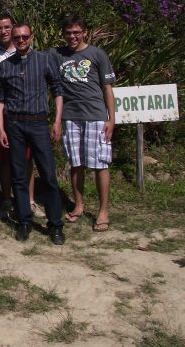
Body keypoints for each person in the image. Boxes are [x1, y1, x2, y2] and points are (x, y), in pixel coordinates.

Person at [0, 23, 66, 245]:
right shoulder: (5, 66)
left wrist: (57, 121)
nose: (21, 40)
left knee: (48, 175)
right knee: (19, 176)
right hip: (15, 125)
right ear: (13, 40)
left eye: (25, 37)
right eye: (17, 38)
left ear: (31, 37)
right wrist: (1, 128)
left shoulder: (45, 60)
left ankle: (55, 224)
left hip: (39, 125)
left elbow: (58, 90)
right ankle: (24, 220)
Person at [50, 16, 116, 232]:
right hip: (71, 116)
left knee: (100, 164)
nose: (72, 36)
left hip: (96, 116)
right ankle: (78, 205)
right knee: (76, 163)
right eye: (68, 33)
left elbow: (107, 88)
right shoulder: (57, 55)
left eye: (77, 32)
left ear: (85, 32)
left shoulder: (97, 54)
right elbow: (30, 54)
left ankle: (103, 211)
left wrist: (111, 119)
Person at [0, 13, 37, 219]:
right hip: (3, 113)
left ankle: (30, 201)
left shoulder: (26, 48)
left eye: (7, 27)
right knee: (5, 160)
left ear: (13, 27)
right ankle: (6, 201)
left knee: (28, 159)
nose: (4, 31)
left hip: (27, 112)